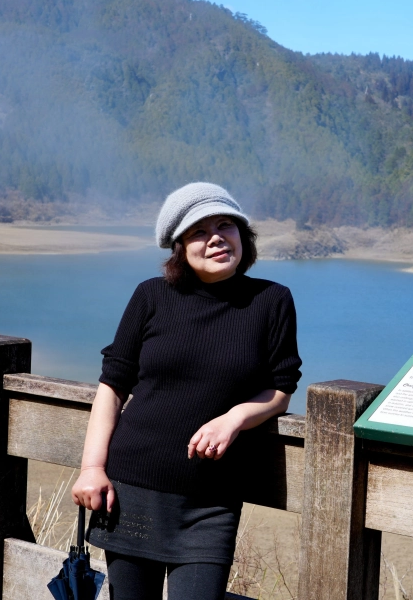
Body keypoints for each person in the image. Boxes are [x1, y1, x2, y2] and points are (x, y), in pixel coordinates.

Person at [71, 182, 302, 600]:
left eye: (225, 225)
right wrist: (92, 468)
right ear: (179, 247)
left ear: (242, 235)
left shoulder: (272, 300)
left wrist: (234, 418)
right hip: (131, 488)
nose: (216, 238)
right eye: (199, 231)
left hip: (211, 500)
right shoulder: (151, 295)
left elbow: (281, 389)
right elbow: (113, 385)